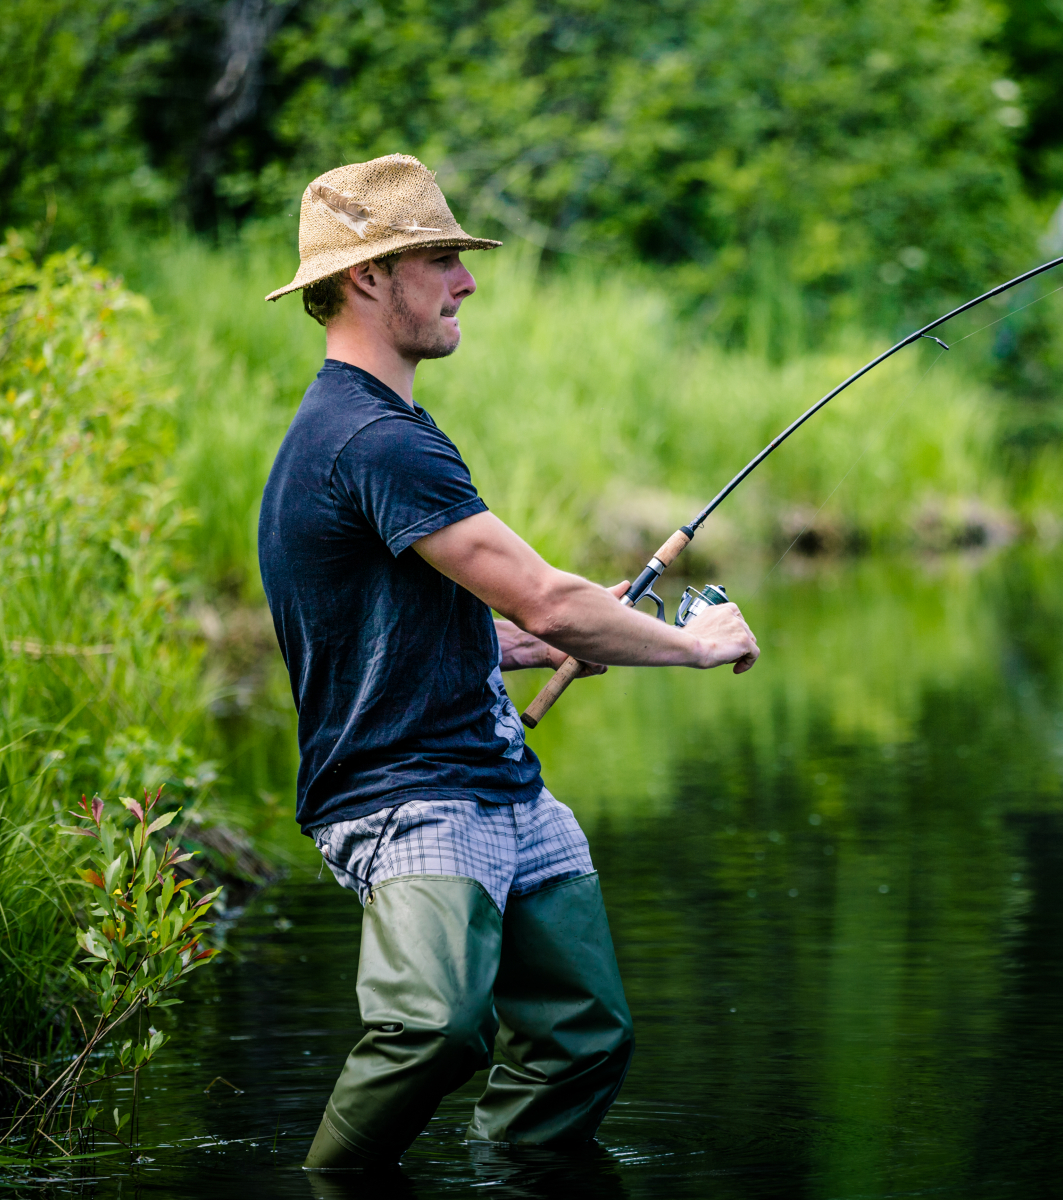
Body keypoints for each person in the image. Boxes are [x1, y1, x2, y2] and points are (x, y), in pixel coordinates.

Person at [259, 154, 759, 1171]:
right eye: (441, 259)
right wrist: (691, 645)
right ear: (366, 277)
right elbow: (545, 593)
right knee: (432, 1030)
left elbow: (447, 622)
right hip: (406, 798)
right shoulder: (371, 439)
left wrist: (536, 643)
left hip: (503, 791)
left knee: (584, 1038)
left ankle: (518, 1179)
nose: (467, 281)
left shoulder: (389, 431)